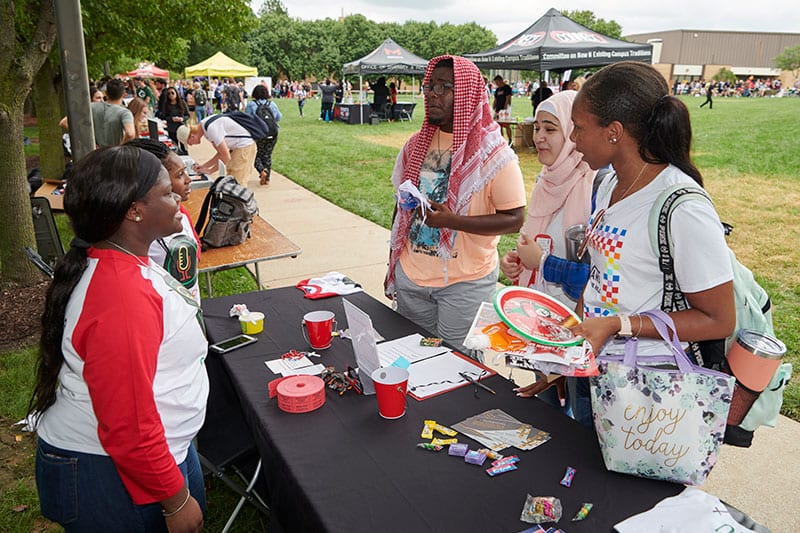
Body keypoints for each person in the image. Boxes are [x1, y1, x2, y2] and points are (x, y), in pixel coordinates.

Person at [30, 145, 208, 532]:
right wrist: (176, 501)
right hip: (111, 472)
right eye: (166, 191)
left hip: (144, 457)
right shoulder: (121, 296)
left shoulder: (124, 263)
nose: (178, 195)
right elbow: (128, 425)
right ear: (134, 210)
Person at [569, 61, 734, 367]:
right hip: (595, 364)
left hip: (649, 379)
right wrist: (567, 350)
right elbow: (598, 279)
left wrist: (620, 324)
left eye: (578, 127)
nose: (572, 138)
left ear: (613, 132)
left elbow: (718, 319)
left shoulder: (683, 207)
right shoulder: (608, 183)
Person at [384, 55, 526, 354]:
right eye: (429, 86)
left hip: (464, 285)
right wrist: (395, 262)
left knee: (462, 369)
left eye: (444, 86)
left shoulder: (494, 154)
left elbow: (514, 219)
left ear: (467, 93)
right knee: (416, 360)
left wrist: (453, 221)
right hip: (412, 278)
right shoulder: (415, 144)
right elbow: (402, 205)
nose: (432, 94)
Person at [498, 90, 596, 425]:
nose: (538, 137)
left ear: (572, 131)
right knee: (547, 418)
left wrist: (540, 262)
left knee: (582, 427)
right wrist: (518, 261)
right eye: (537, 127)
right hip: (543, 325)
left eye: (550, 129)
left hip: (581, 331)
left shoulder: (593, 186)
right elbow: (538, 244)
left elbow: (597, 278)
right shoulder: (547, 180)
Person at [127, 138, 201, 302]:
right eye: (179, 175)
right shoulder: (136, 234)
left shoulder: (180, 212)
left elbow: (194, 250)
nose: (188, 180)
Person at [245, 84, 282, 185]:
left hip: (259, 133)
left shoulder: (251, 105)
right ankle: (267, 178)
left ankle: (261, 170)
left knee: (256, 155)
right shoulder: (272, 104)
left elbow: (247, 119)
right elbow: (279, 117)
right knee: (267, 155)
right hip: (272, 133)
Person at [91, 78, 136, 147]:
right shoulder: (125, 112)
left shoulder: (91, 107)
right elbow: (130, 133)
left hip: (95, 152)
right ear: (124, 94)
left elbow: (69, 122)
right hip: (114, 154)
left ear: (105, 92)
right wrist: (119, 148)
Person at [157, 87, 190, 154]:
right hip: (171, 128)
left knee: (184, 147)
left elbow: (187, 115)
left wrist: (182, 118)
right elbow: (164, 116)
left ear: (176, 93)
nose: (171, 95)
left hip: (181, 128)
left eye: (172, 93)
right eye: (169, 94)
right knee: (174, 146)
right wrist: (171, 119)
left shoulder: (182, 102)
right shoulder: (166, 104)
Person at [492, 75, 514, 146]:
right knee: (499, 125)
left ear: (500, 80)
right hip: (498, 109)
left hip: (505, 109)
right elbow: (495, 99)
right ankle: (502, 139)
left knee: (507, 125)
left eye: (497, 82)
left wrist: (505, 107)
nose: (496, 84)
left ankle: (510, 139)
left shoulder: (507, 88)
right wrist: (494, 107)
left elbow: (508, 98)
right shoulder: (497, 90)